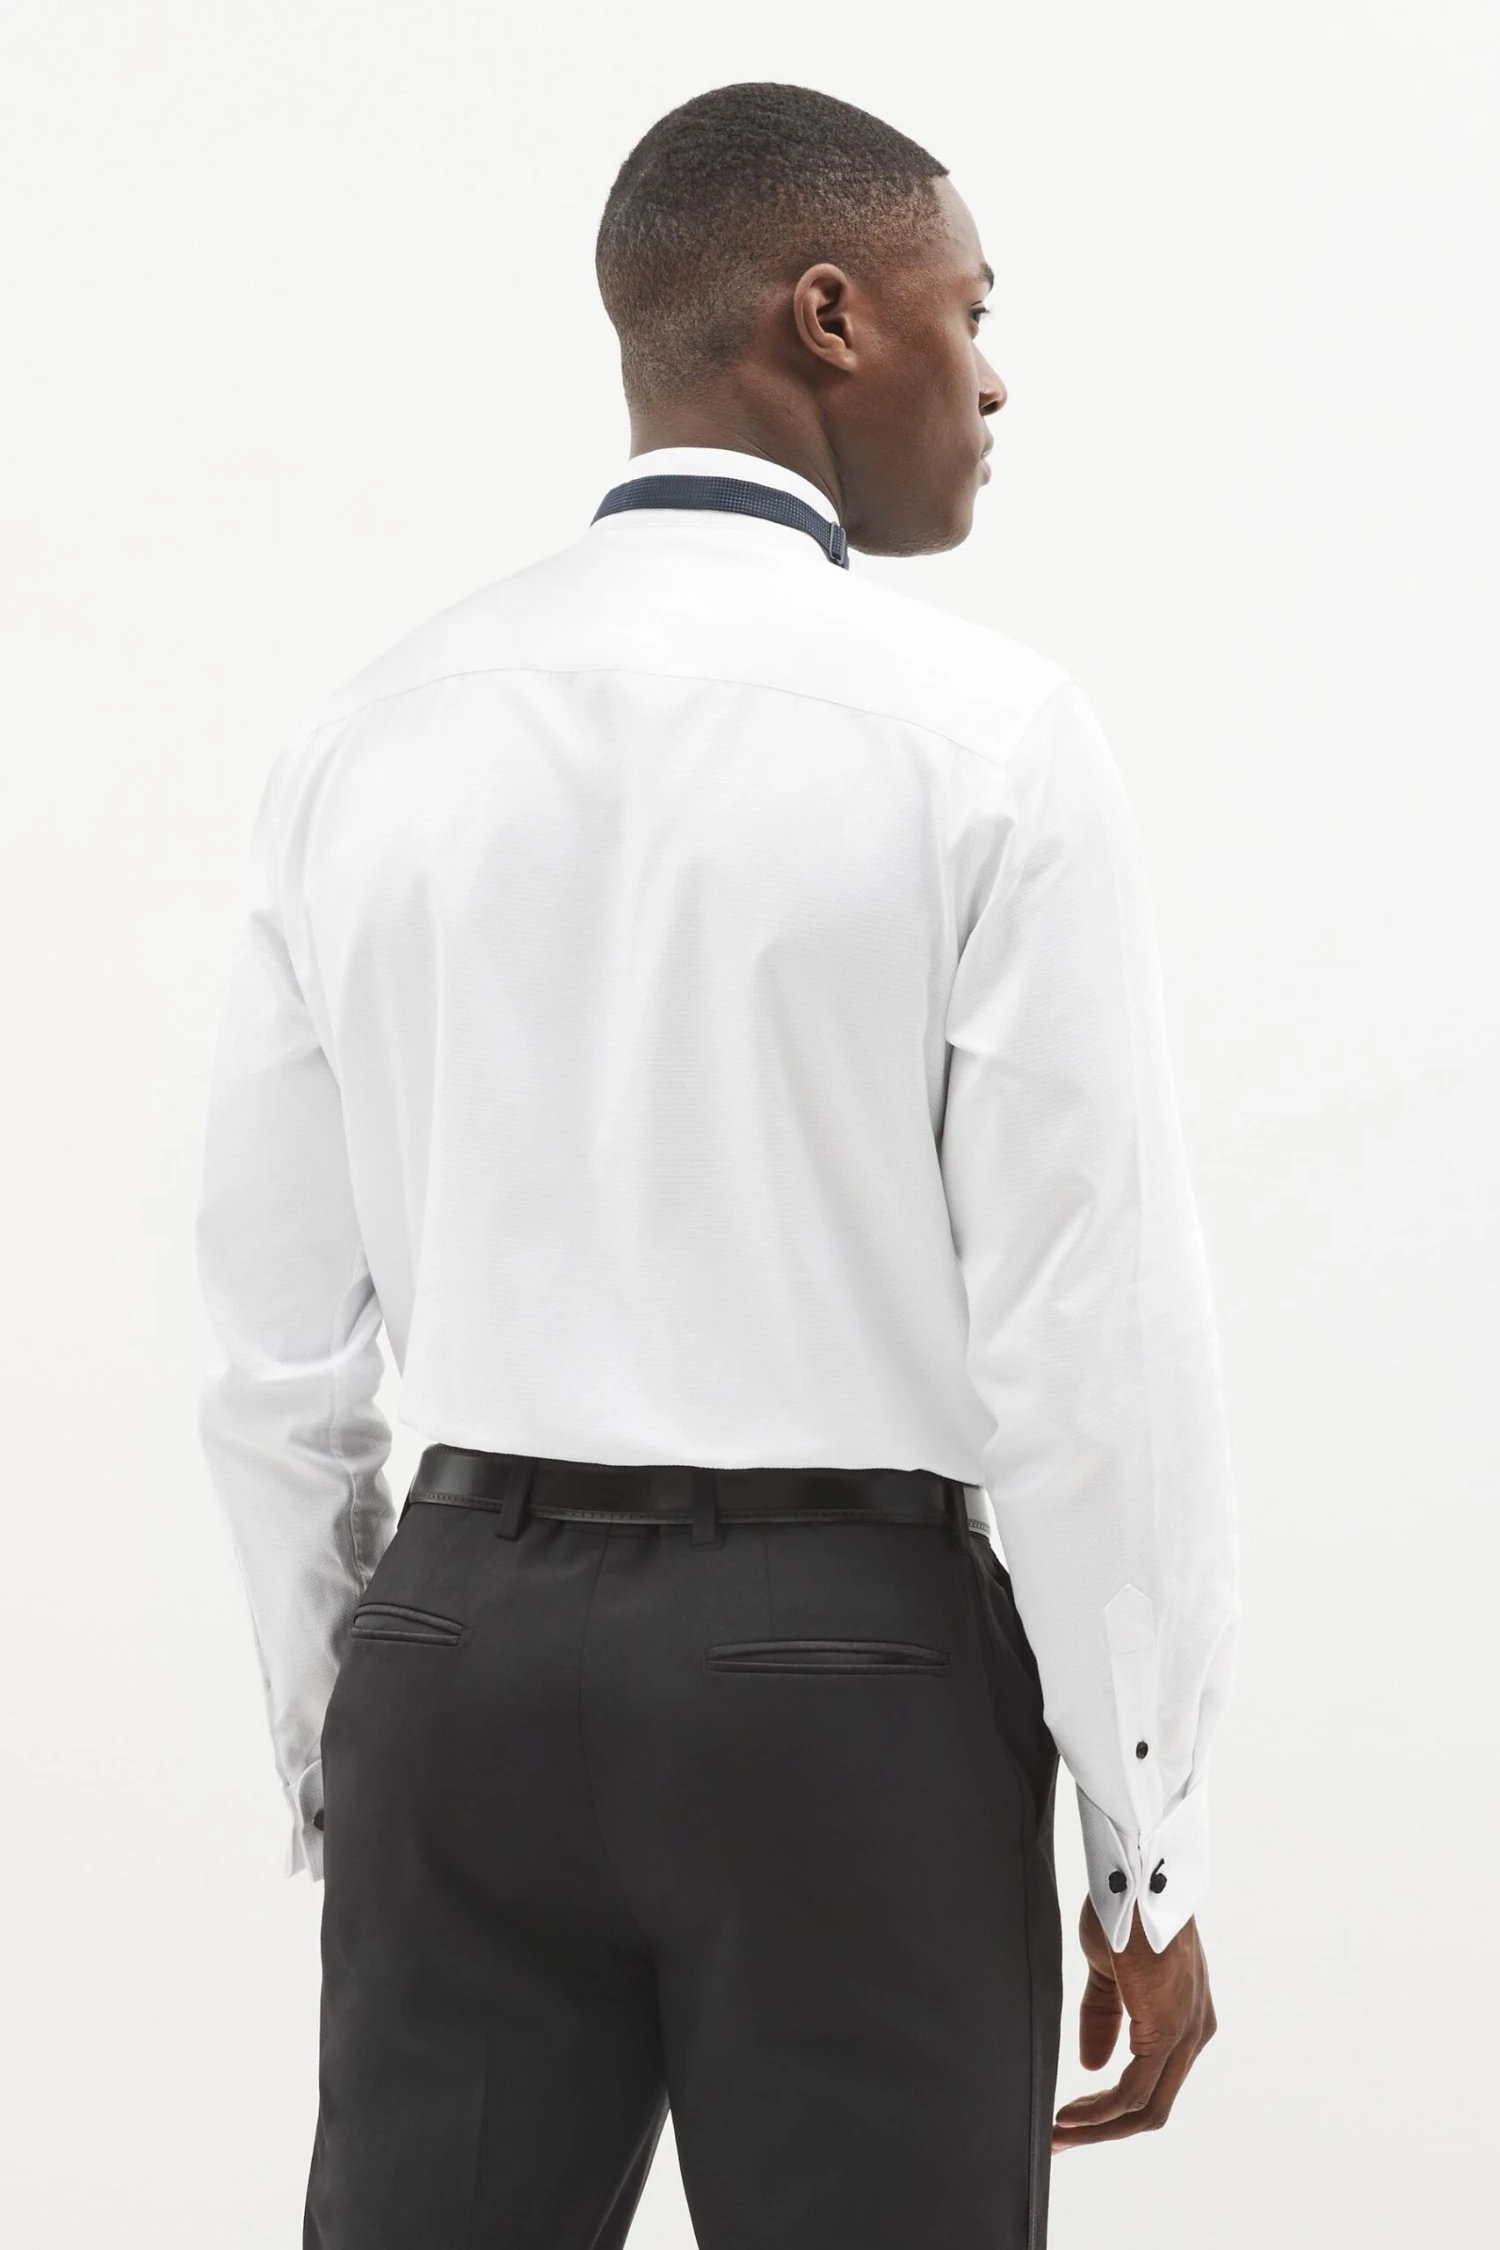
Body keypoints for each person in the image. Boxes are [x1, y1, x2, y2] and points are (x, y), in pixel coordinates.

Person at [195, 79, 1240, 2250]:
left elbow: (274, 1351)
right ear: (829, 317)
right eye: (972, 312)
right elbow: (1089, 1340)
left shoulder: (367, 735)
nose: (995, 378)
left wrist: (345, 1734)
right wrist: (1143, 1843)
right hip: (842, 1675)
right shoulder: (988, 742)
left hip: (458, 1657)